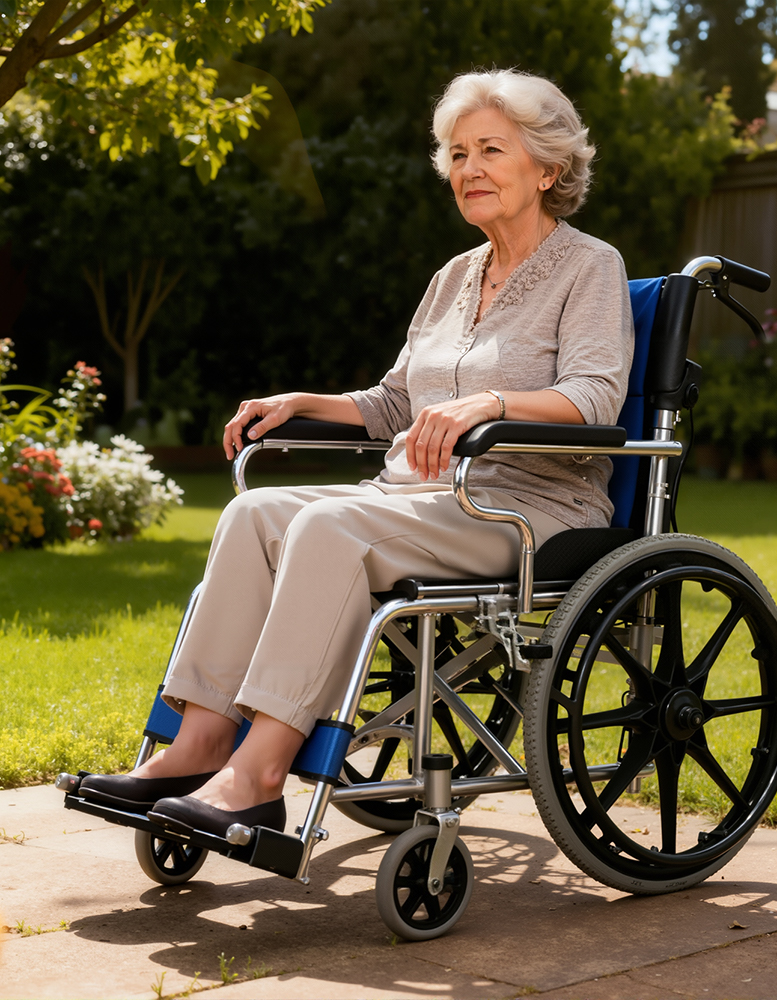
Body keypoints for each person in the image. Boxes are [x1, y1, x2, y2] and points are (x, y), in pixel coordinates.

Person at [79, 69, 634, 837]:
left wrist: (491, 403)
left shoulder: (590, 266)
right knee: (254, 513)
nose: (467, 169)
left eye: (490, 150)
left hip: (524, 507)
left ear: (549, 167)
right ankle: (200, 738)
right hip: (414, 495)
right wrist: (305, 402)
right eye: (457, 153)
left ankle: (261, 772)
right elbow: (396, 405)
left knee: (328, 528)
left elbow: (597, 398)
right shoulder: (452, 277)